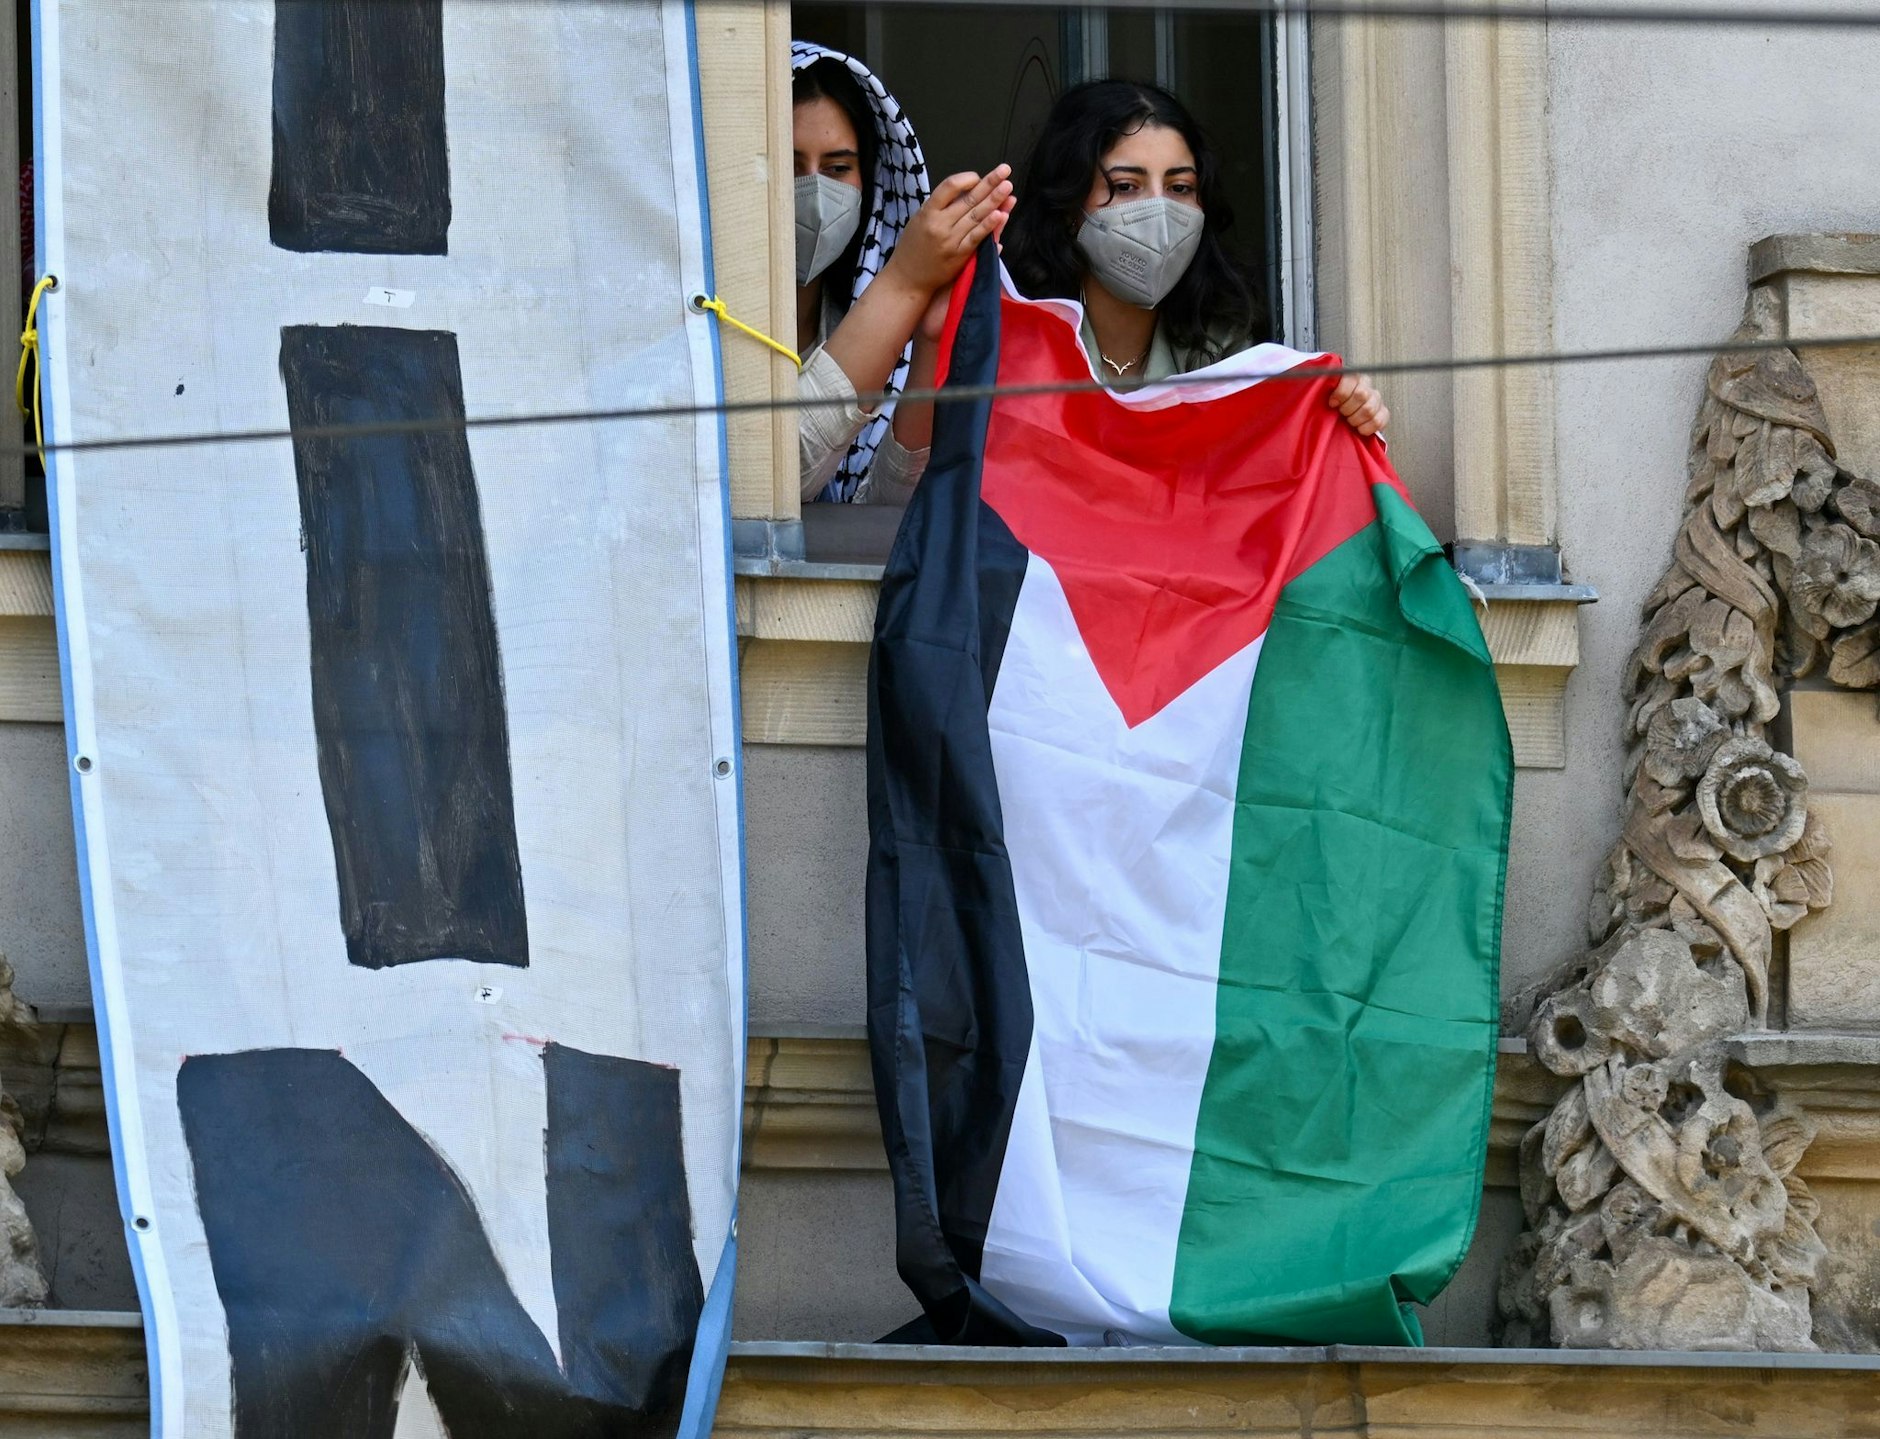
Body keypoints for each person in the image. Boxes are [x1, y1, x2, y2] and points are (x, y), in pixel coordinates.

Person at [898, 79, 1388, 438]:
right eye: (1127, 187)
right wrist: (930, 344)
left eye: (1180, 188)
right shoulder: (1007, 334)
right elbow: (903, 498)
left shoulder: (1221, 351)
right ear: (1070, 209)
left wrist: (1349, 414)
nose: (1160, 212)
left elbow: (1277, 476)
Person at [791, 43, 1012, 504]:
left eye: (837, 168)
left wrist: (930, 339)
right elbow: (777, 475)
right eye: (790, 167)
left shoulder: (864, 321)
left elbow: (886, 515)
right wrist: (907, 278)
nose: (814, 190)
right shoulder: (704, 324)